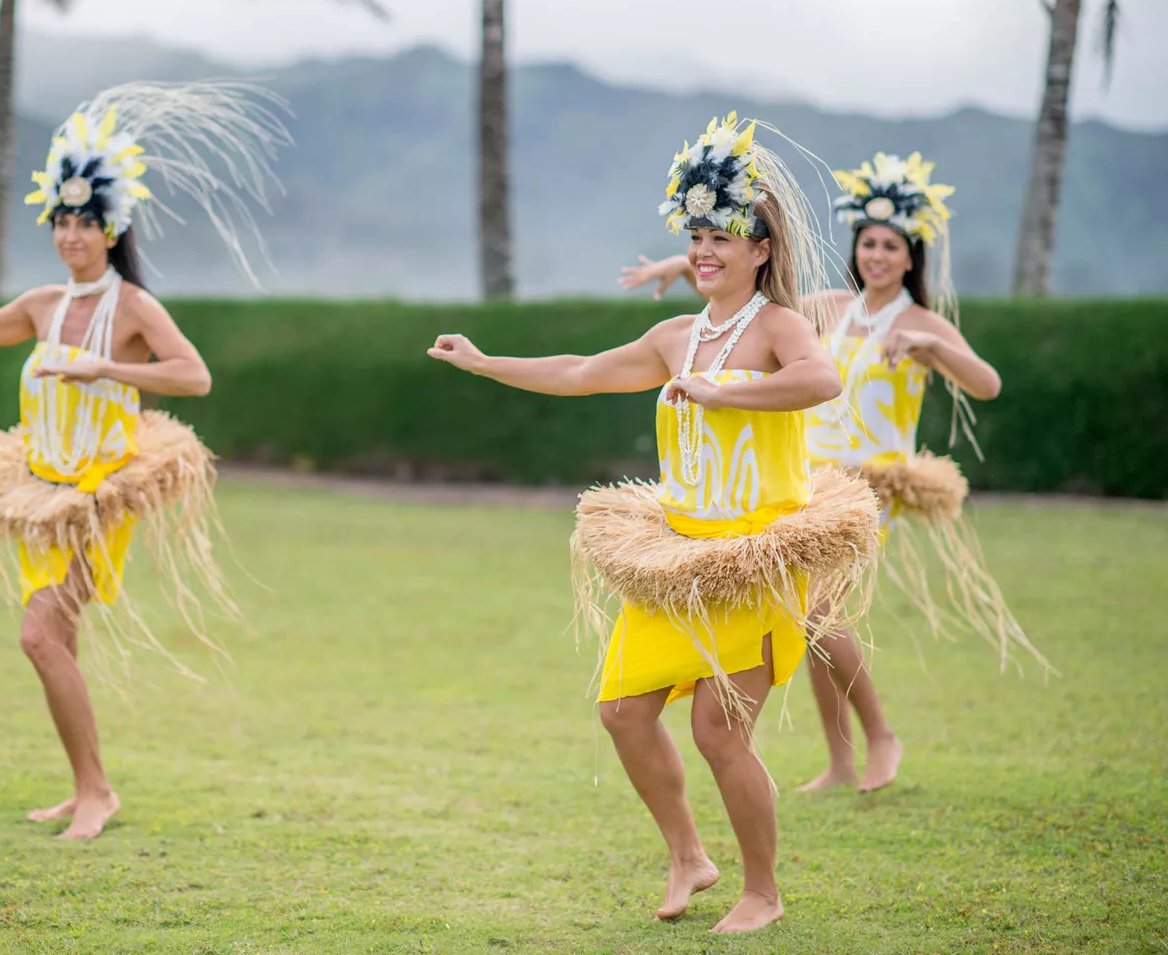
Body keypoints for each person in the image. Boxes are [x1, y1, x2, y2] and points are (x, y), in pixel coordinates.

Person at [430, 114, 881, 934]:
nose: (705, 250)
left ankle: (762, 891)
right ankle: (687, 855)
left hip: (757, 561)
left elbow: (821, 383)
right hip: (680, 558)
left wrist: (726, 391)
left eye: (723, 237)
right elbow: (579, 371)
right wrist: (485, 360)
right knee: (622, 713)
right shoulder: (677, 336)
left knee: (717, 729)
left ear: (761, 250)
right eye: (697, 236)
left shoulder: (780, 328)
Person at [0, 82, 289, 840]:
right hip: (42, 491)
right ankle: (86, 784)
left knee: (38, 637)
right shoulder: (41, 304)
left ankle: (98, 790)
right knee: (56, 643)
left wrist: (103, 369)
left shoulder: (132, 308)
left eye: (84, 223)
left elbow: (192, 377)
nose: (70, 235)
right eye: (60, 222)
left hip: (97, 496)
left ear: (111, 228)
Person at [622, 151, 1049, 794]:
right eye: (867, 243)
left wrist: (932, 347)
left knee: (816, 607)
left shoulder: (919, 322)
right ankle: (841, 760)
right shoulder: (829, 307)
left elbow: (986, 384)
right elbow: (741, 299)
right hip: (811, 481)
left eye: (890, 246)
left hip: (871, 489)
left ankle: (880, 734)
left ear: (911, 258)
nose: (876, 255)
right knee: (812, 617)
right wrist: (677, 265)